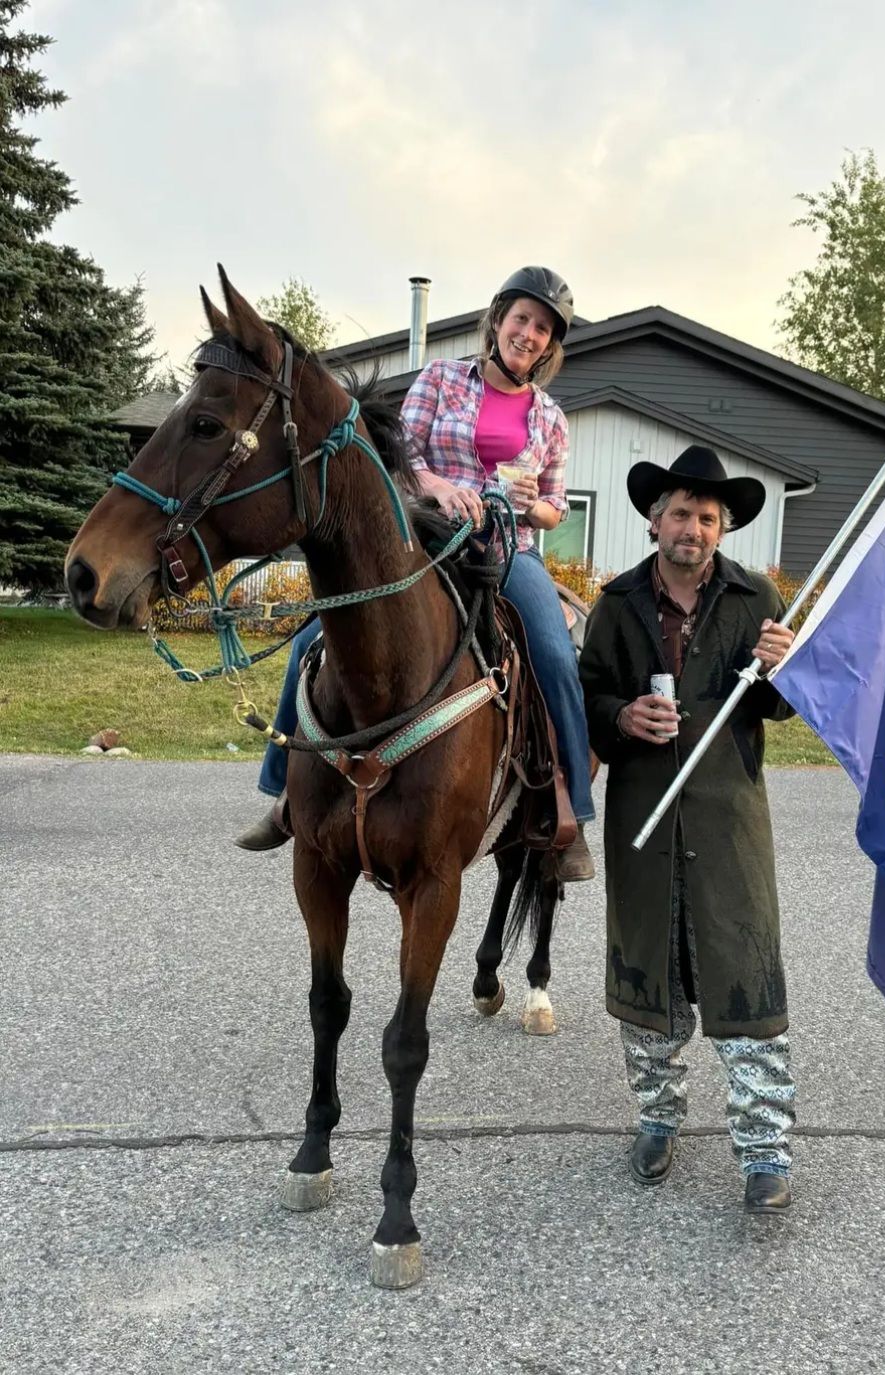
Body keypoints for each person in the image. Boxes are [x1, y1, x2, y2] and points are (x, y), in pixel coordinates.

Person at [235, 266, 596, 882]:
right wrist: (437, 487)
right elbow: (399, 457)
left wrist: (531, 503)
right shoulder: (441, 379)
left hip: (507, 550)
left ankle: (570, 815)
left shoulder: (551, 418)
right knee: (311, 639)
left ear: (549, 345)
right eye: (522, 319)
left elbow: (555, 508)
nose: (529, 334)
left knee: (556, 656)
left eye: (543, 329)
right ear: (498, 320)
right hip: (426, 541)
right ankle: (285, 793)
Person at [577, 445, 798, 1212]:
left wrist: (782, 666)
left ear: (721, 528)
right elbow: (586, 700)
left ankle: (765, 1150)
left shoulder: (754, 597)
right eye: (680, 513)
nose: (692, 528)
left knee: (746, 977)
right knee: (650, 978)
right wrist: (621, 714)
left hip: (729, 821)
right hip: (645, 817)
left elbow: (782, 706)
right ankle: (657, 1120)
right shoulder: (617, 604)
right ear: (654, 520)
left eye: (707, 517)